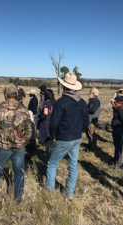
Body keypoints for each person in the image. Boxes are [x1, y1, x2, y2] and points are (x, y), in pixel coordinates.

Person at [0, 84, 32, 207]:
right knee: (19, 175)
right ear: (16, 95)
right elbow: (30, 132)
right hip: (19, 148)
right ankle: (17, 202)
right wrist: (23, 142)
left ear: (5, 95)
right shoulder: (24, 110)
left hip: (2, 147)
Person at [46, 72, 89, 200]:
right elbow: (86, 122)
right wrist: (79, 132)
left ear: (64, 86)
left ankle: (49, 193)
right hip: (77, 138)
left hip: (63, 138)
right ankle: (69, 195)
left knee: (52, 164)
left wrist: (54, 136)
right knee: (73, 165)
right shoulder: (82, 102)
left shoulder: (60, 102)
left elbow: (53, 123)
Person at [111, 96, 123, 166]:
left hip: (118, 129)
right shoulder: (118, 109)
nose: (113, 102)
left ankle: (118, 162)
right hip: (117, 128)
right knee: (117, 145)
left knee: (118, 146)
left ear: (118, 102)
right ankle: (116, 159)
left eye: (115, 101)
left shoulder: (120, 110)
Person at [38, 89, 56, 160]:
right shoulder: (54, 102)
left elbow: (45, 113)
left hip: (46, 122)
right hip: (53, 121)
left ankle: (49, 154)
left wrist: (41, 117)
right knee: (50, 138)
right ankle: (52, 152)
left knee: (47, 138)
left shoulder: (46, 103)